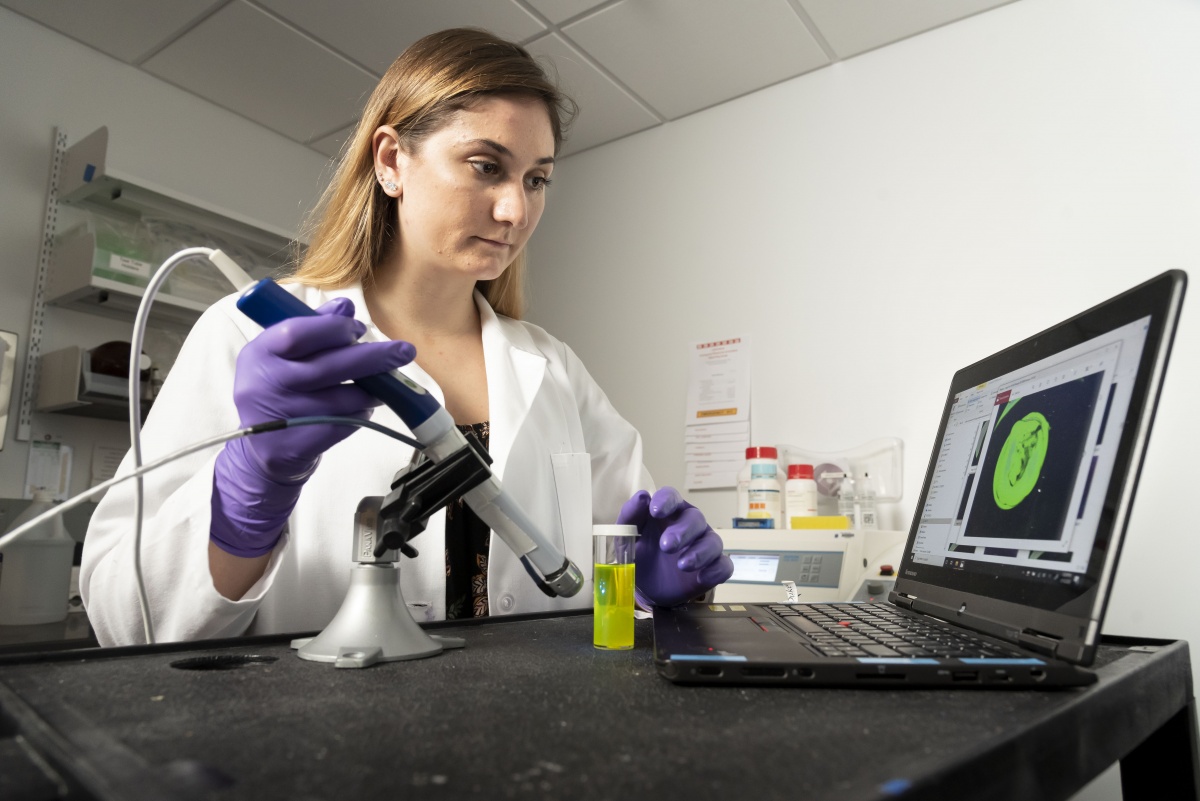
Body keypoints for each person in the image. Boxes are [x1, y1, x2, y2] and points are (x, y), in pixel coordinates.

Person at [80, 28, 733, 646]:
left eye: (536, 179)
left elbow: (621, 556)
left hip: (533, 742)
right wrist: (246, 498)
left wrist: (659, 588)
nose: (516, 210)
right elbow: (124, 616)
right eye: (486, 166)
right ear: (392, 161)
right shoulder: (248, 335)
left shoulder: (553, 368)